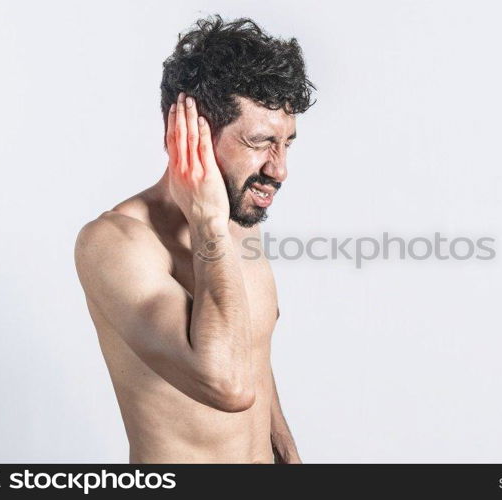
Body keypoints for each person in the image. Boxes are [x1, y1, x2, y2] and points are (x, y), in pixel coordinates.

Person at [74, 15, 315, 463]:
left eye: (287, 144)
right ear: (192, 133)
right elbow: (228, 384)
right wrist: (206, 220)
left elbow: (254, 357)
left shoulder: (239, 220)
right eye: (261, 142)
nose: (279, 169)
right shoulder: (114, 243)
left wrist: (290, 458)